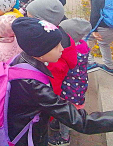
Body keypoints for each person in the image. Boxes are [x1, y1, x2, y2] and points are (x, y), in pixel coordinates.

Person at [9, 17, 113, 146]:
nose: (62, 49)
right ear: (40, 51)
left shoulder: (23, 60)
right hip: (27, 137)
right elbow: (80, 121)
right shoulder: (33, 85)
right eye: (56, 46)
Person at [48, 18, 92, 145]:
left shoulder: (71, 51)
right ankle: (58, 124)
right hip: (78, 86)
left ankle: (64, 137)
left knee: (65, 114)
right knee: (66, 111)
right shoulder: (83, 45)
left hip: (70, 90)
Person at [27, 0, 77, 97]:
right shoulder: (65, 36)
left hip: (47, 90)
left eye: (30, 18)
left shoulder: (47, 44)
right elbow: (72, 62)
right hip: (54, 85)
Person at [88, 0, 113, 73]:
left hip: (102, 25)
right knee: (104, 44)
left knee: (80, 39)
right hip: (111, 27)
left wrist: (93, 29)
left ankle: (89, 63)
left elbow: (95, 12)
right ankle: (109, 66)